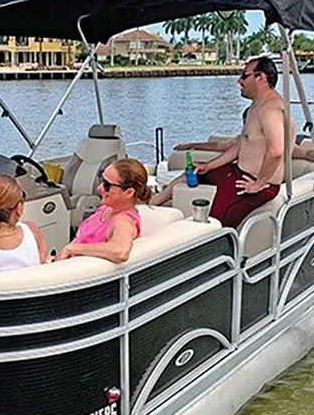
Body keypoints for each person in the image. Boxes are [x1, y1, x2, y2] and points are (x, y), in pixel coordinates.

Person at [156, 56, 290, 228]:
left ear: (260, 78)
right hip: (238, 173)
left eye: (244, 76)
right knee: (195, 172)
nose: (238, 81)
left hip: (254, 183)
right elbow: (241, 145)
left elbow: (276, 150)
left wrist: (259, 183)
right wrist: (209, 166)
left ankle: (213, 251)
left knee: (213, 221)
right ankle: (151, 204)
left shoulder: (270, 109)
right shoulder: (255, 107)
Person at [55, 159, 151, 264]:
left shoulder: (122, 221)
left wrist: (71, 248)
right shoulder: (106, 209)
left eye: (107, 185)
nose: (99, 188)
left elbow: (120, 251)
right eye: (102, 180)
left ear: (129, 193)